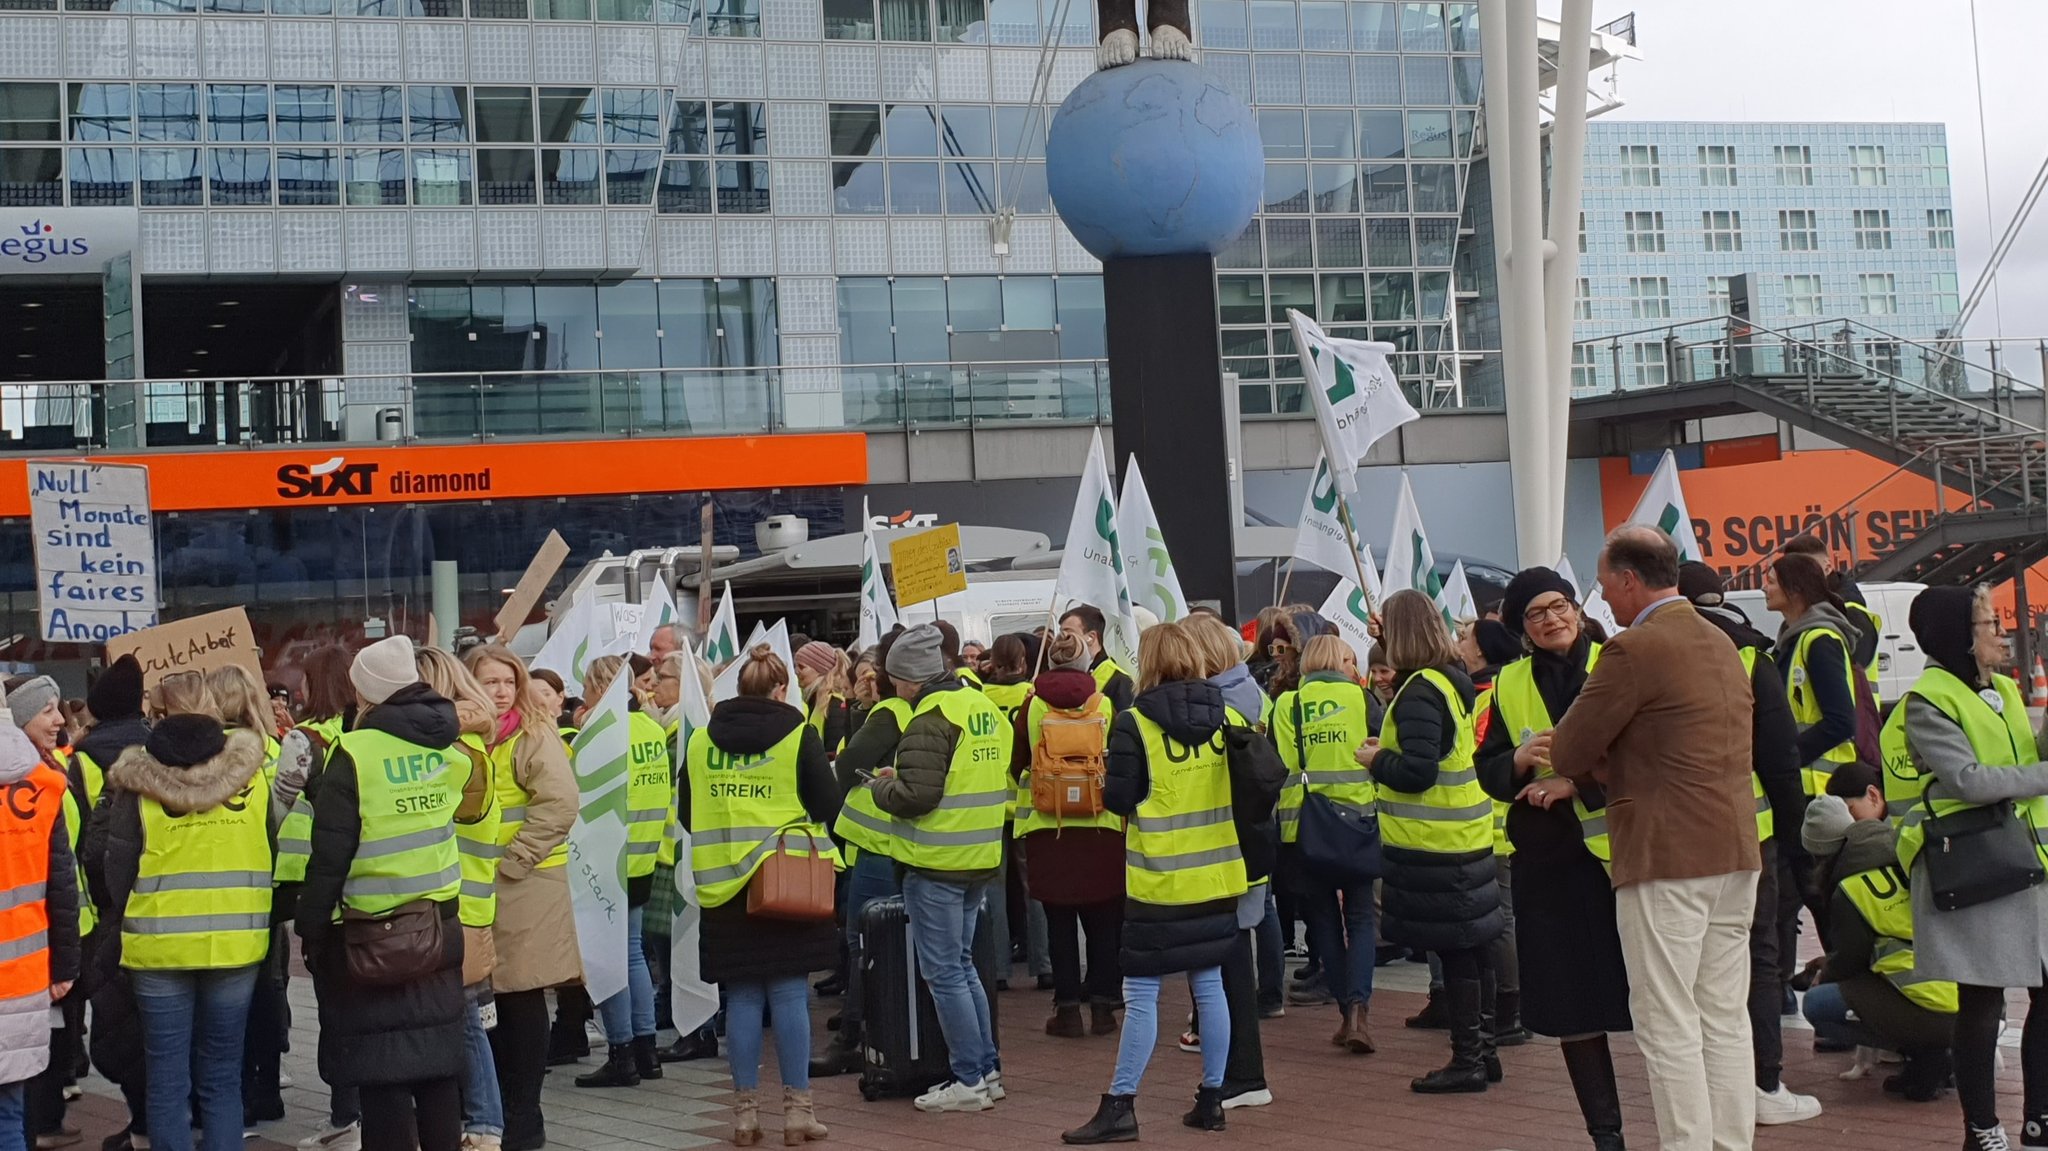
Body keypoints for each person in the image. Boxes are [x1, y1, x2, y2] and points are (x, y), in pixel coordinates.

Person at [1550, 526, 1761, 1151]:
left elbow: (1567, 748)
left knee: (1667, 1020)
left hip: (1664, 852)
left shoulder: (1633, 649)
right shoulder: (1721, 642)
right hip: (1734, 846)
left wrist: (1610, 762)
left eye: (1605, 584)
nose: (1603, 599)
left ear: (1628, 580)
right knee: (1723, 1016)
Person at [1062, 621, 1247, 1144]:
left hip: (1159, 880)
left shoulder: (1134, 723)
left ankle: (1121, 1105)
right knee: (1208, 984)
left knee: (1141, 994)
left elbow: (1119, 800)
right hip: (1216, 875)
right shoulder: (1227, 716)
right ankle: (1212, 1099)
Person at [1477, 567, 1633, 1149]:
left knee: (1652, 998)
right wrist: (1515, 760)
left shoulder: (1616, 661)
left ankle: (1683, 1121)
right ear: (1521, 627)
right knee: (1573, 1008)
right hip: (1550, 865)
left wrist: (1578, 781)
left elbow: (1648, 750)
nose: (1551, 619)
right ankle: (1606, 1135)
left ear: (1576, 607)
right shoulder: (1508, 682)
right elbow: (1488, 768)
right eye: (1535, 613)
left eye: (1559, 605)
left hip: (1624, 860)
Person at [296, 637, 473, 1151]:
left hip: (373, 934)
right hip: (440, 926)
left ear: (367, 692)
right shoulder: (450, 745)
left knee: (382, 1071)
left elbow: (330, 855)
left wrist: (311, 928)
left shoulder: (354, 751)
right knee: (439, 1065)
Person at [1891, 585, 2048, 1151]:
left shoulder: (2003, 688)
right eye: (1987, 623)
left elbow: (2027, 759)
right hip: (1974, 867)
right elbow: (1968, 780)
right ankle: (1981, 1128)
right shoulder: (1927, 700)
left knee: (2045, 991)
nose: (1999, 631)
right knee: (1982, 1002)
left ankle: (2040, 1117)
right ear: (1958, 635)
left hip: (2024, 861)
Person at [1679, 561, 1823, 1125]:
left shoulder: (1648, 652)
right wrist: (1795, 838)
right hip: (1749, 834)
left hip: (1678, 839)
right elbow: (1781, 761)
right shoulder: (1749, 653)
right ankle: (1761, 1084)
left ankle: (1710, 1088)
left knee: (1695, 966)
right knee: (1757, 957)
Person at [682, 645, 841, 1146]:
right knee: (790, 992)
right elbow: (827, 804)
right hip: (785, 879)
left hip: (723, 885)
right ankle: (797, 1112)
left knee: (744, 995)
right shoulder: (799, 735)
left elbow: (688, 813)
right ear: (780, 690)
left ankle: (745, 1116)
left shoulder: (701, 740)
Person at [101, 708, 272, 1151]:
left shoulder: (138, 792)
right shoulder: (253, 786)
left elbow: (117, 868)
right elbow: (271, 846)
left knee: (167, 1077)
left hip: (158, 948)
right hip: (237, 943)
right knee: (221, 1074)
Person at [867, 624, 1013, 1113]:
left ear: (911, 679)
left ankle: (969, 1078)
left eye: (896, 679)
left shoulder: (929, 716)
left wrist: (882, 787)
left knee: (944, 974)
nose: (895, 688)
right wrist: (905, 776)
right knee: (964, 967)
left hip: (936, 861)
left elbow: (916, 797)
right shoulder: (981, 706)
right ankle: (987, 1069)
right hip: (978, 858)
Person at [1360, 590, 1501, 1094]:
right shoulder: (1449, 680)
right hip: (1464, 837)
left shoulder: (1420, 689)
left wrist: (1376, 759)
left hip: (1434, 844)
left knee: (1458, 953)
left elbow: (1417, 771)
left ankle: (1468, 1060)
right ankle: (1483, 1051)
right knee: (1474, 949)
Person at [464, 644, 580, 1151]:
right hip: (481, 887)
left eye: (509, 681)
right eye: (490, 682)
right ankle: (498, 1115)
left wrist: (515, 859)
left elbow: (560, 803)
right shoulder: (468, 739)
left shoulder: (532, 733)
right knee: (488, 1000)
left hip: (525, 885)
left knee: (522, 995)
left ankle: (523, 1118)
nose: (502, 691)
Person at [1798, 763, 1955, 1102]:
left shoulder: (1853, 888)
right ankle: (1939, 1055)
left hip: (1936, 1010)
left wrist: (1826, 970)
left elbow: (1850, 963)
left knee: (1819, 1003)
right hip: (1975, 1000)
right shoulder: (1907, 852)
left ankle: (1927, 1056)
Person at [414, 648, 506, 1151]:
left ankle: (485, 1125)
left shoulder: (458, 754)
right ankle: (482, 1123)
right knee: (465, 1020)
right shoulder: (468, 747)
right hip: (465, 904)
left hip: (458, 909)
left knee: (466, 1022)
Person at [1272, 634, 1381, 1055]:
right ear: (1342, 661)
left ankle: (1343, 1013)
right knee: (1360, 919)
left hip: (1304, 829)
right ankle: (1359, 1009)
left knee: (1322, 923)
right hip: (1357, 823)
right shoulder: (1362, 699)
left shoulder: (1287, 704)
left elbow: (1280, 763)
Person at [810, 630, 912, 1078]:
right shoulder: (913, 709)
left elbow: (850, 765)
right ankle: (877, 1032)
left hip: (876, 846)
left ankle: (853, 1037)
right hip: (897, 843)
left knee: (860, 942)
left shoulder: (890, 712)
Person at [1014, 631, 1124, 1039]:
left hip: (1049, 826)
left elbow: (1018, 762)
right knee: (1103, 920)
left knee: (1059, 921)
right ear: (1084, 664)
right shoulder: (1105, 703)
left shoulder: (1032, 704)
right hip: (1101, 825)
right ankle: (1103, 1008)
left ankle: (1067, 1011)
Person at [1188, 613, 1279, 1108]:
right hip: (1252, 841)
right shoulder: (1249, 694)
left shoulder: (1219, 704)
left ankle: (1243, 1073)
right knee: (1233, 956)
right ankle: (1242, 1071)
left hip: (1228, 845)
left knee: (1229, 963)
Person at [277, 645, 365, 1151]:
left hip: (317, 879)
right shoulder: (370, 734)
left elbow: (276, 809)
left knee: (332, 1003)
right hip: (376, 882)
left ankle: (344, 1114)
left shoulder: (303, 740)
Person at [572, 655, 672, 1089]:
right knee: (631, 952)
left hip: (607, 858)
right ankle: (647, 1049)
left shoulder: (601, 732)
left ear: (598, 686)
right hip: (644, 854)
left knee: (607, 957)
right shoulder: (650, 726)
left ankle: (621, 1051)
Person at [0, 724, 80, 1151]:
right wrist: (65, 966)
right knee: (10, 1112)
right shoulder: (45, 786)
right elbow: (62, 887)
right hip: (22, 976)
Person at [1781, 535, 1882, 701]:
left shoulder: (1849, 613)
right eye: (1790, 572)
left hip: (1855, 718)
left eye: (1806, 568)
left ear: (1827, 567)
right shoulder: (1808, 611)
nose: (1797, 577)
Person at [1061, 606, 1135, 712]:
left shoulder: (1119, 681)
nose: (1062, 640)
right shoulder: (1062, 674)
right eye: (1061, 633)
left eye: (1069, 633)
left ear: (1091, 637)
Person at [795, 643, 855, 761]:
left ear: (819, 669)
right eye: (795, 666)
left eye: (801, 667)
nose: (796, 671)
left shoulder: (834, 704)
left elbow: (835, 749)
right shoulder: (814, 700)